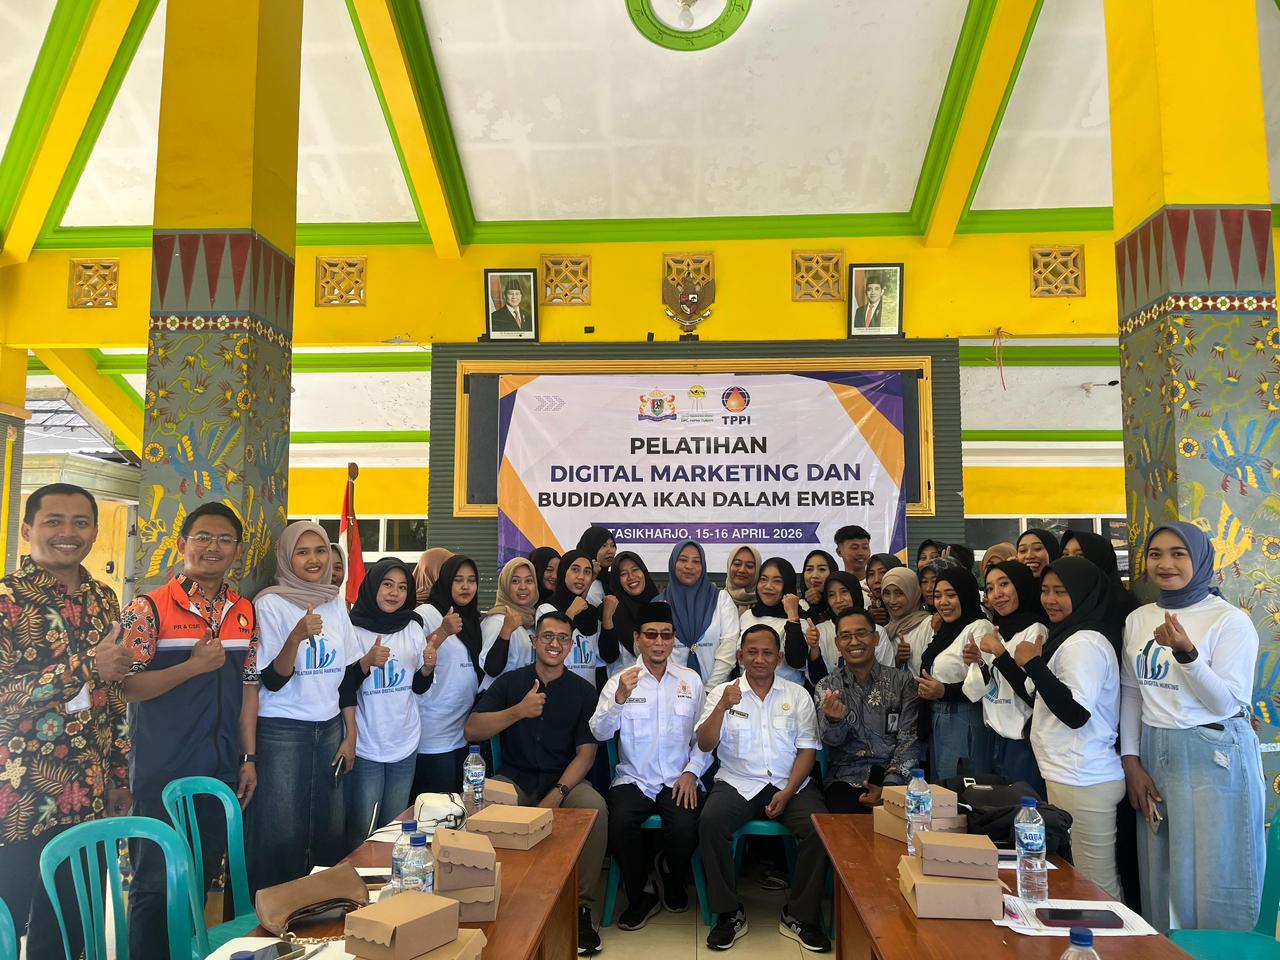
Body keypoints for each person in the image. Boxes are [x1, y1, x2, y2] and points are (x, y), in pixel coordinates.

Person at [120, 502, 259, 958]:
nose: (212, 547)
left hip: (217, 773)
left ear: (237, 550)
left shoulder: (243, 611)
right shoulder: (148, 608)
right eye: (202, 537)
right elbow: (127, 688)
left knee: (198, 879)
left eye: (224, 539)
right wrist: (192, 667)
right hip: (160, 772)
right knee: (154, 885)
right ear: (182, 544)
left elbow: (248, 690)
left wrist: (248, 758)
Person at [0, 484, 131, 960]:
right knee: (6, 926)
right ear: (27, 530)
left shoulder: (104, 598)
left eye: (80, 522)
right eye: (53, 521)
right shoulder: (7, 600)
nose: (68, 532)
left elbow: (113, 695)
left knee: (70, 932)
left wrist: (118, 777)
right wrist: (86, 666)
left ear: (95, 531)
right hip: (18, 799)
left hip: (87, 797)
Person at [1121, 523, 1263, 932]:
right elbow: (1132, 692)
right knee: (1162, 867)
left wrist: (1187, 653)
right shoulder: (1138, 619)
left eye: (1178, 553)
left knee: (1217, 868)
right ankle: (1170, 952)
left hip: (1213, 751)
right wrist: (1131, 761)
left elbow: (1225, 703)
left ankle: (1224, 953)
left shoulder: (1229, 621)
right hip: (1154, 747)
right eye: (1156, 554)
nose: (1165, 563)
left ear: (1199, 560)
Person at [465, 611, 608, 955]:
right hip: (516, 779)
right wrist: (518, 711)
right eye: (548, 636)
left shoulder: (583, 692)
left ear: (570, 646)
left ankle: (582, 908)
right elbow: (472, 729)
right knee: (482, 805)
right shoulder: (510, 683)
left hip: (565, 783)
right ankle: (488, 899)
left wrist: (556, 796)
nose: (555, 644)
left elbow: (586, 756)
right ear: (534, 641)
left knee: (596, 808)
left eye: (562, 638)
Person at [695, 624, 831, 953]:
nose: (759, 659)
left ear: (779, 657)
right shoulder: (722, 692)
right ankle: (728, 913)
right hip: (737, 782)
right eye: (752, 652)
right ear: (739, 656)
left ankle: (800, 915)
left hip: (790, 783)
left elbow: (807, 751)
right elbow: (705, 744)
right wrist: (721, 707)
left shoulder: (796, 695)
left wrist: (788, 792)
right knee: (711, 822)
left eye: (767, 652)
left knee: (819, 827)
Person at [250, 522, 366, 891]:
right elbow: (272, 680)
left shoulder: (334, 601)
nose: (313, 559)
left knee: (328, 828)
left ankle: (321, 908)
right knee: (280, 830)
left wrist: (350, 733)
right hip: (283, 731)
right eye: (302, 552)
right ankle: (274, 912)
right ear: (287, 558)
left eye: (319, 551)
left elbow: (345, 677)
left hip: (329, 728)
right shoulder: (269, 604)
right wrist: (296, 636)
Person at [590, 601, 711, 930]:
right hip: (635, 779)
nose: (659, 642)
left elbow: (704, 738)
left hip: (678, 778)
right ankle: (642, 892)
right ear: (637, 639)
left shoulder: (690, 681)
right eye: (651, 635)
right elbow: (599, 732)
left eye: (666, 635)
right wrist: (618, 700)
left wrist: (692, 771)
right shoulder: (620, 680)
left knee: (686, 826)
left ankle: (671, 872)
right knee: (618, 824)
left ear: (673, 640)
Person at [1018, 557, 1125, 899]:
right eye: (1046, 590)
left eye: (1061, 591)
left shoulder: (1084, 644)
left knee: (1096, 884)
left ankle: (1115, 935)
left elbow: (1076, 712)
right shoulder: (1067, 637)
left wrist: (1033, 663)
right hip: (1071, 773)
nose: (1050, 599)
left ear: (1083, 594)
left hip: (1084, 776)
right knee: (1082, 878)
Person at [345, 558, 430, 850]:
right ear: (372, 586)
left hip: (404, 742)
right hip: (367, 743)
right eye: (388, 585)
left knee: (395, 829)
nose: (395, 593)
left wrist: (428, 668)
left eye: (403, 587)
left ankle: (391, 878)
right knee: (363, 829)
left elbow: (419, 686)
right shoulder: (353, 629)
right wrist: (366, 662)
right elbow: (343, 687)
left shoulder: (413, 627)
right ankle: (358, 878)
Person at [816, 610, 922, 814]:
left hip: (895, 775)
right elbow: (831, 741)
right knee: (843, 827)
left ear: (876, 638)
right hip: (846, 777)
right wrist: (834, 721)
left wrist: (889, 787)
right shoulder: (828, 686)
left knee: (903, 824)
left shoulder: (902, 682)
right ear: (837, 644)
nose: (854, 642)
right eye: (846, 636)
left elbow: (910, 740)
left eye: (861, 633)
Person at [413, 555, 491, 795]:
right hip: (434, 734)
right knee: (439, 809)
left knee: (462, 806)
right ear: (446, 581)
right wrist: (443, 631)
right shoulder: (426, 613)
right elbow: (413, 656)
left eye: (471, 580)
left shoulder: (471, 617)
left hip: (463, 731)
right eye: (458, 580)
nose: (466, 586)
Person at [967, 560, 1047, 795]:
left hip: (1021, 744)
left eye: (1004, 584)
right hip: (993, 737)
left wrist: (999, 653)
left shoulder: (1036, 631)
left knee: (1022, 810)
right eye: (990, 588)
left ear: (1021, 586)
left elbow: (1031, 693)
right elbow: (991, 685)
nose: (996, 594)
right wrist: (979, 662)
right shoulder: (997, 630)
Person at [914, 567, 995, 780]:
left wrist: (944, 691)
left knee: (961, 788)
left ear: (966, 594)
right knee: (942, 789)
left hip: (963, 718)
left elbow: (984, 685)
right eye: (938, 596)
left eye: (951, 595)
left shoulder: (979, 628)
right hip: (938, 717)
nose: (943, 602)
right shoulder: (947, 629)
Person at [659, 541, 741, 685]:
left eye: (696, 561)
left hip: (716, 691)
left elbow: (729, 646)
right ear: (673, 563)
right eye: (683, 560)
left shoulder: (721, 599)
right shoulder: (659, 604)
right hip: (670, 691)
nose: (689, 566)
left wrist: (710, 689)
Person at [1061, 528, 1137, 653]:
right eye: (1065, 555)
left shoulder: (1120, 607)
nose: (1070, 561)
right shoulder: (1059, 600)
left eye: (1080, 555)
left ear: (1100, 560)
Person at [806, 572, 894, 680]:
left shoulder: (877, 631)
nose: (839, 600)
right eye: (831, 595)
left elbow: (888, 675)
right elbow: (817, 681)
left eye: (844, 592)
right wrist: (814, 648)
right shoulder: (819, 632)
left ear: (855, 592)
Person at [536, 549, 604, 686]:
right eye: (575, 570)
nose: (581, 577)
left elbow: (603, 658)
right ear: (563, 572)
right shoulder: (547, 609)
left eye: (587, 572)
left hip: (587, 690)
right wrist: (571, 612)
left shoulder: (591, 611)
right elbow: (552, 642)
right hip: (555, 688)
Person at [739, 558, 807, 686]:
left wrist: (792, 616)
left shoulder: (799, 619)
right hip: (747, 693)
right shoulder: (747, 616)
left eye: (777, 581)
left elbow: (797, 662)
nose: (768, 586)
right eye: (763, 579)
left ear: (787, 585)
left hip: (788, 694)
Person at [480, 557, 540, 687]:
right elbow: (491, 668)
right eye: (515, 581)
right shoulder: (497, 620)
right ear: (505, 585)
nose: (523, 587)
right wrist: (506, 630)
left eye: (529, 581)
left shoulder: (531, 620)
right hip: (499, 697)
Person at [599, 551, 658, 676]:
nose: (631, 577)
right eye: (623, 574)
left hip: (659, 682)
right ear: (617, 579)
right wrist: (608, 617)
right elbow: (608, 656)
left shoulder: (659, 604)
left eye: (635, 570)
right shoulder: (611, 607)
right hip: (622, 684)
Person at [882, 567, 932, 675]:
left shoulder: (928, 625)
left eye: (899, 593)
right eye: (886, 593)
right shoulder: (885, 632)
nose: (892, 601)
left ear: (913, 593)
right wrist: (897, 660)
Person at [578, 526, 617, 606]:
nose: (610, 551)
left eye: (613, 545)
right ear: (591, 548)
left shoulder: (614, 579)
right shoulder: (577, 581)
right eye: (604, 545)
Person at [834, 525, 872, 603]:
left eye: (865, 547)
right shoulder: (833, 586)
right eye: (854, 548)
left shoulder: (877, 584)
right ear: (839, 552)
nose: (861, 553)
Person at [864, 553, 903, 626]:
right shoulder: (866, 615)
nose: (876, 580)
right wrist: (869, 622)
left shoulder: (916, 615)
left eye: (883, 572)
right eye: (871, 574)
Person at [722, 544, 761, 617]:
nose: (742, 570)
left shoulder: (767, 603)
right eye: (737, 564)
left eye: (749, 566)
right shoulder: (717, 600)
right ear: (729, 566)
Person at [800, 549, 838, 624]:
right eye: (809, 569)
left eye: (822, 569)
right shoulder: (796, 606)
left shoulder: (842, 603)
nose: (814, 576)